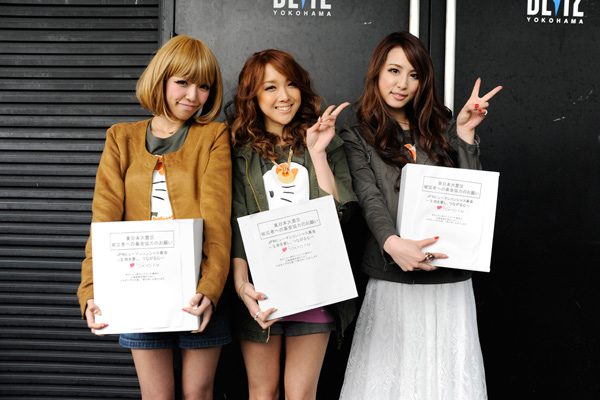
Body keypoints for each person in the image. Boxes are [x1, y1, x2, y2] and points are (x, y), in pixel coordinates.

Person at [338, 31, 502, 399]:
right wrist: (392, 243)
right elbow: (369, 197)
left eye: (414, 75)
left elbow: (470, 198)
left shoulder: (444, 127)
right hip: (394, 277)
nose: (402, 84)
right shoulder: (357, 135)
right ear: (377, 72)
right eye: (394, 71)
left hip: (449, 278)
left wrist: (465, 134)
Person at [76, 35, 232, 400]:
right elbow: (104, 221)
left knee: (197, 393)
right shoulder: (121, 138)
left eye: (204, 86)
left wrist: (210, 288)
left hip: (199, 289)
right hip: (138, 287)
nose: (193, 95)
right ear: (160, 80)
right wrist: (91, 290)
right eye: (183, 82)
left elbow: (217, 220)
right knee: (156, 395)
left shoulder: (213, 135)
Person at [226, 49, 357, 400]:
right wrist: (242, 286)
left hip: (314, 286)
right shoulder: (240, 152)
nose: (284, 96)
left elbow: (340, 216)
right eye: (270, 87)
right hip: (260, 292)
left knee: (301, 394)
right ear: (252, 96)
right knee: (263, 393)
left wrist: (317, 153)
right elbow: (236, 223)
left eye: (291, 84)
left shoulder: (325, 140)